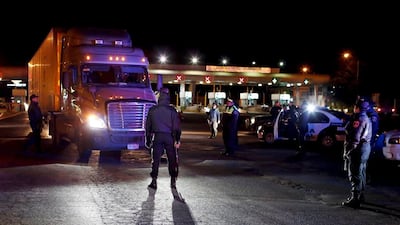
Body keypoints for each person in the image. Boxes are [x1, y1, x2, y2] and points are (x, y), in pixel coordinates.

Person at [145, 87, 182, 189]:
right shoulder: (172, 110)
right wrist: (177, 139)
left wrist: (147, 139)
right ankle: (173, 180)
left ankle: (154, 181)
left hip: (157, 137)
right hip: (169, 137)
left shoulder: (153, 110)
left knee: (155, 159)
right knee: (172, 159)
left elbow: (148, 126)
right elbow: (177, 126)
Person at [342, 98, 372, 208]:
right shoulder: (367, 118)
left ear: (358, 108)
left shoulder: (358, 119)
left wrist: (349, 151)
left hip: (357, 149)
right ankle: (360, 196)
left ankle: (355, 198)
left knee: (354, 173)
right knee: (362, 172)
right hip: (365, 148)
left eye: (355, 106)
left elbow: (355, 137)